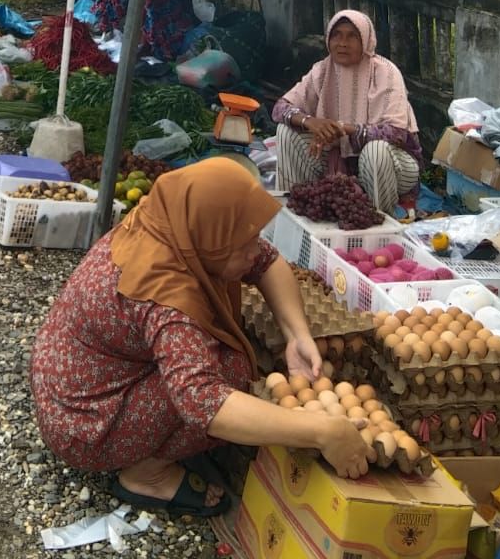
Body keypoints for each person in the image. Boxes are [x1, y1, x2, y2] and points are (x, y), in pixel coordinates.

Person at [30, 158, 371, 517]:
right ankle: (146, 474)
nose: (256, 249)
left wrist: (296, 334)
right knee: (232, 371)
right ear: (213, 242)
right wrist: (321, 431)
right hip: (84, 422)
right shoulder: (162, 294)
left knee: (229, 354)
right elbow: (203, 401)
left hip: (75, 379)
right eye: (245, 244)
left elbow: (267, 262)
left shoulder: (174, 220)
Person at [271, 9, 423, 215]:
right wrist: (310, 121)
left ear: (366, 40)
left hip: (393, 166)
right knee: (286, 132)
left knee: (375, 151)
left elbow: (396, 134)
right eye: (337, 35)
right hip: (336, 160)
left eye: (352, 36)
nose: (342, 43)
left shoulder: (385, 71)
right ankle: (300, 213)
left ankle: (379, 222)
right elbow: (280, 108)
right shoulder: (322, 69)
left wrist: (343, 129)